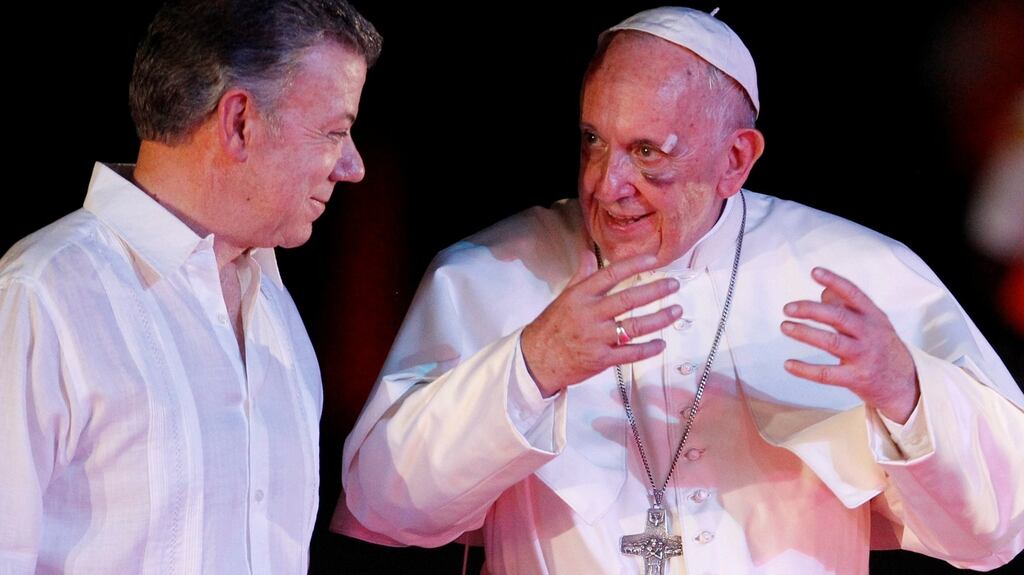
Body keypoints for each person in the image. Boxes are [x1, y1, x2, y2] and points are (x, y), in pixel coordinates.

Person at [335, 6, 1024, 574]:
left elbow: (998, 531)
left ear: (735, 160)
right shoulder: (489, 273)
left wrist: (907, 392)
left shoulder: (860, 273)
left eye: (647, 152)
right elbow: (382, 510)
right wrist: (530, 366)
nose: (607, 184)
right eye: (593, 140)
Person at [0, 1, 380, 573]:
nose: (352, 167)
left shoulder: (276, 313)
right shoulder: (42, 296)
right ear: (238, 122)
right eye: (333, 132)